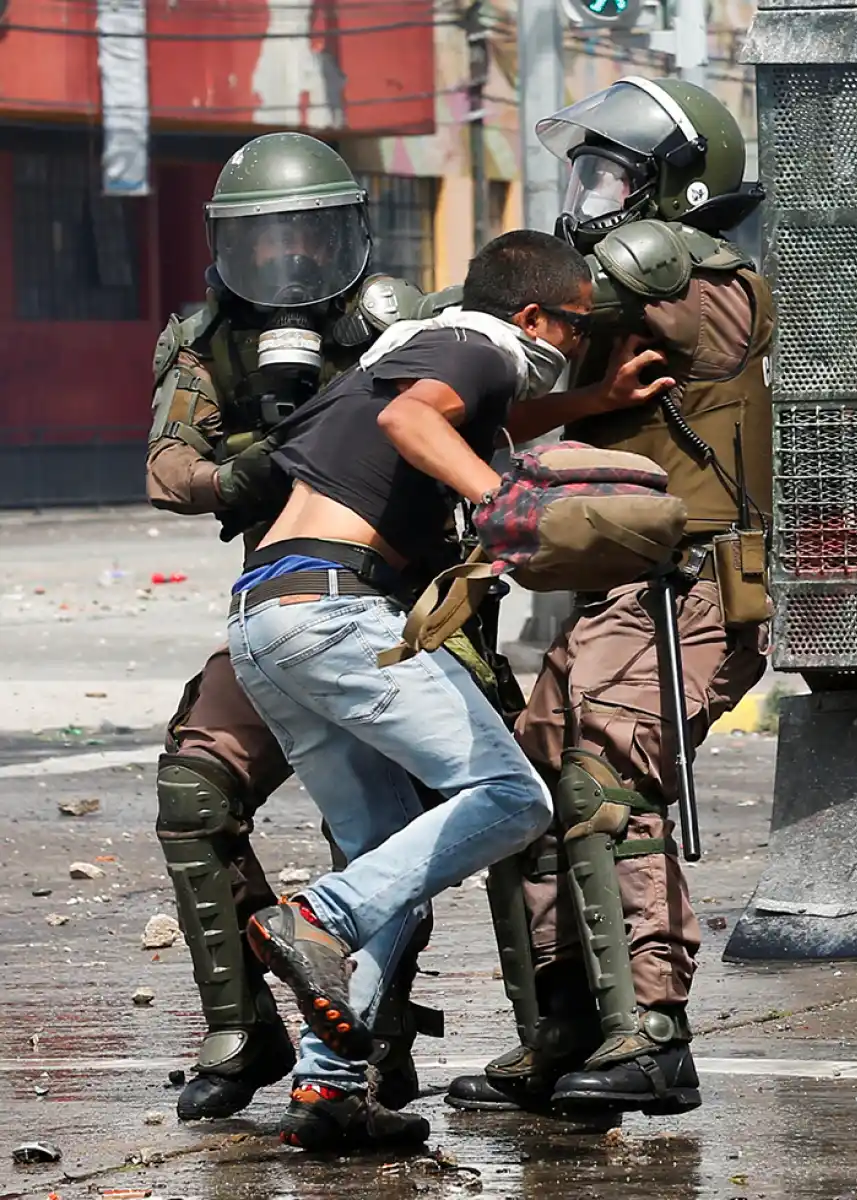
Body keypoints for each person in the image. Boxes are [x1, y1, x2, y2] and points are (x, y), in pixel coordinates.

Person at [224, 229, 664, 1150]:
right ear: (536, 315)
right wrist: (508, 505)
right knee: (511, 797)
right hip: (337, 612)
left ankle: (331, 1089)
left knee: (391, 866)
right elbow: (415, 422)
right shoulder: (478, 345)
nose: (573, 348)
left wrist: (592, 399)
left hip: (269, 617)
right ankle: (316, 916)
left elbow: (456, 417)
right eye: (578, 332)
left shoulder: (414, 350)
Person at [446, 75, 775, 1118]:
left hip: (694, 591)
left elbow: (719, 328)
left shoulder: (707, 279)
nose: (583, 192)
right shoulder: (603, 305)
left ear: (668, 188)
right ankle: (562, 1030)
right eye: (579, 169)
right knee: (527, 793)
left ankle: (654, 1032)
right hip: (611, 593)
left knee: (604, 783)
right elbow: (515, 377)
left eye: (606, 173)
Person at [148, 130, 447, 1124]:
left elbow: (462, 430)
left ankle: (516, 1035)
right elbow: (165, 472)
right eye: (261, 241)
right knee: (195, 787)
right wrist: (248, 467)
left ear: (345, 235)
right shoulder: (205, 338)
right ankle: (241, 1027)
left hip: (405, 610)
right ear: (228, 245)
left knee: (497, 800)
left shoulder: (395, 323)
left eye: (305, 236)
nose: (285, 261)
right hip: (281, 616)